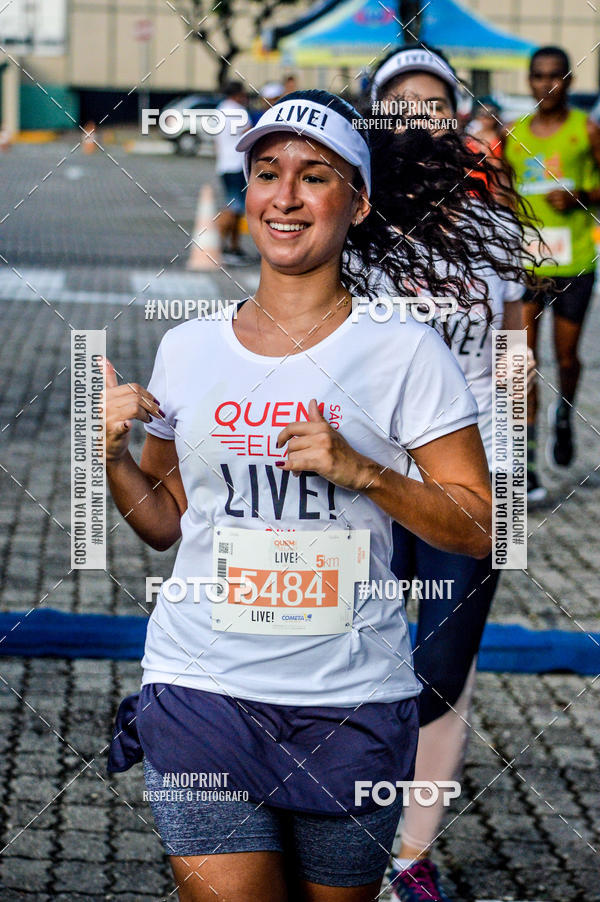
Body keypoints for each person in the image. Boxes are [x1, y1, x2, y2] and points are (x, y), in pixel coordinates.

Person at [103, 89, 508, 902]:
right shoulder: (189, 348)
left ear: (356, 203)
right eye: (266, 173)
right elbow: (163, 522)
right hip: (200, 691)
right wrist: (107, 455)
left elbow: (480, 529)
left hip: (350, 705)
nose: (284, 196)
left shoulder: (405, 350)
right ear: (246, 193)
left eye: (314, 175)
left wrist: (366, 472)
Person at [367, 44, 534, 902]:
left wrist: (515, 462)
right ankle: (345, 834)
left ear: (458, 117)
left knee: (442, 667)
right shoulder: (351, 222)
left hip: (475, 482)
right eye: (400, 105)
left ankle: (411, 858)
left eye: (434, 104)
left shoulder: (497, 229)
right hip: (360, 481)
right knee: (348, 651)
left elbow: (514, 356)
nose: (418, 119)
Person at [503, 45, 600, 501]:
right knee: (523, 364)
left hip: (576, 262)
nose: (546, 85)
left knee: (565, 359)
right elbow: (501, 194)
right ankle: (527, 467)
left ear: (568, 81)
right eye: (538, 76)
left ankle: (565, 414)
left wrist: (582, 193)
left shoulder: (587, 130)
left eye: (555, 76)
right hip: (527, 266)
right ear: (529, 82)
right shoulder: (515, 136)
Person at [214, 80, 252, 265]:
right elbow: (249, 136)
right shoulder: (239, 111)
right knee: (234, 207)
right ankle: (217, 245)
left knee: (237, 209)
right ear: (237, 94)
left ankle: (234, 248)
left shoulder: (220, 110)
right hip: (238, 164)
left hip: (224, 164)